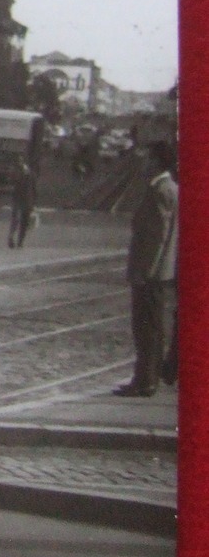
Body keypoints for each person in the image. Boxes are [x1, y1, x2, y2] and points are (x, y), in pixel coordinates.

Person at [116, 141, 178, 397]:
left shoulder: (160, 190)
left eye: (147, 157)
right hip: (159, 272)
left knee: (146, 328)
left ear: (157, 161)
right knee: (151, 327)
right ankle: (147, 378)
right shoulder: (170, 188)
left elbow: (158, 237)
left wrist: (146, 271)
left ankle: (145, 381)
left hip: (151, 273)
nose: (144, 162)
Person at [7, 155, 36, 248]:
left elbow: (32, 188)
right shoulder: (17, 172)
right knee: (17, 219)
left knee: (23, 221)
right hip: (20, 199)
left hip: (25, 199)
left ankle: (19, 241)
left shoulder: (28, 172)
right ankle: (13, 239)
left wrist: (33, 202)